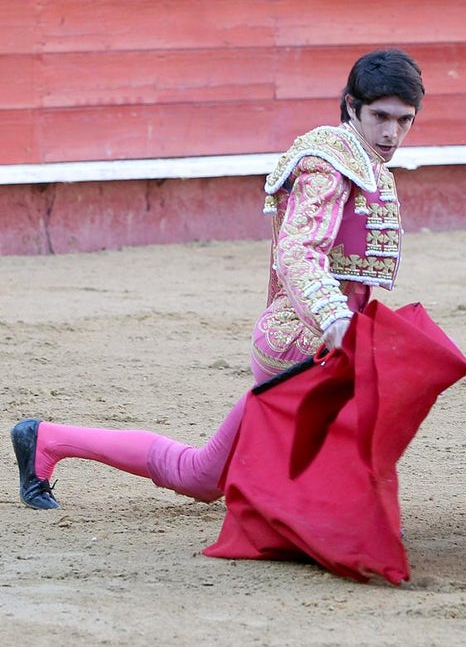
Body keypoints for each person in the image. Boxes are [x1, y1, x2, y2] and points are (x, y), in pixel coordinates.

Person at [12, 48, 425, 510]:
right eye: (380, 116)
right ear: (352, 106)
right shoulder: (328, 161)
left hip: (326, 343)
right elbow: (298, 249)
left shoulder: (362, 161)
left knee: (201, 475)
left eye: (404, 120)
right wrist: (334, 320)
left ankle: (45, 440)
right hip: (303, 343)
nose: (391, 132)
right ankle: (352, 518)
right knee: (366, 403)